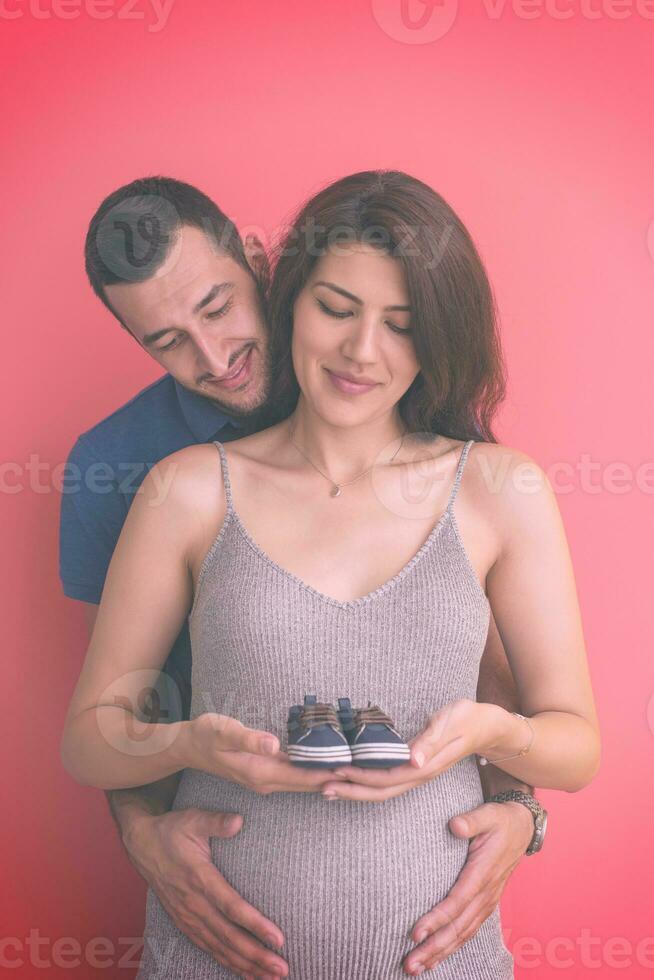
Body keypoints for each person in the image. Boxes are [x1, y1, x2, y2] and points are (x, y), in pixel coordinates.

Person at [58, 173, 594, 978]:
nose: (360, 351)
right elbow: (99, 731)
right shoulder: (161, 478)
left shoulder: (495, 488)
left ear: (259, 270)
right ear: (298, 297)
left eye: (402, 325)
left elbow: (565, 733)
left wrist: (506, 773)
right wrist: (173, 768)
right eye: (337, 310)